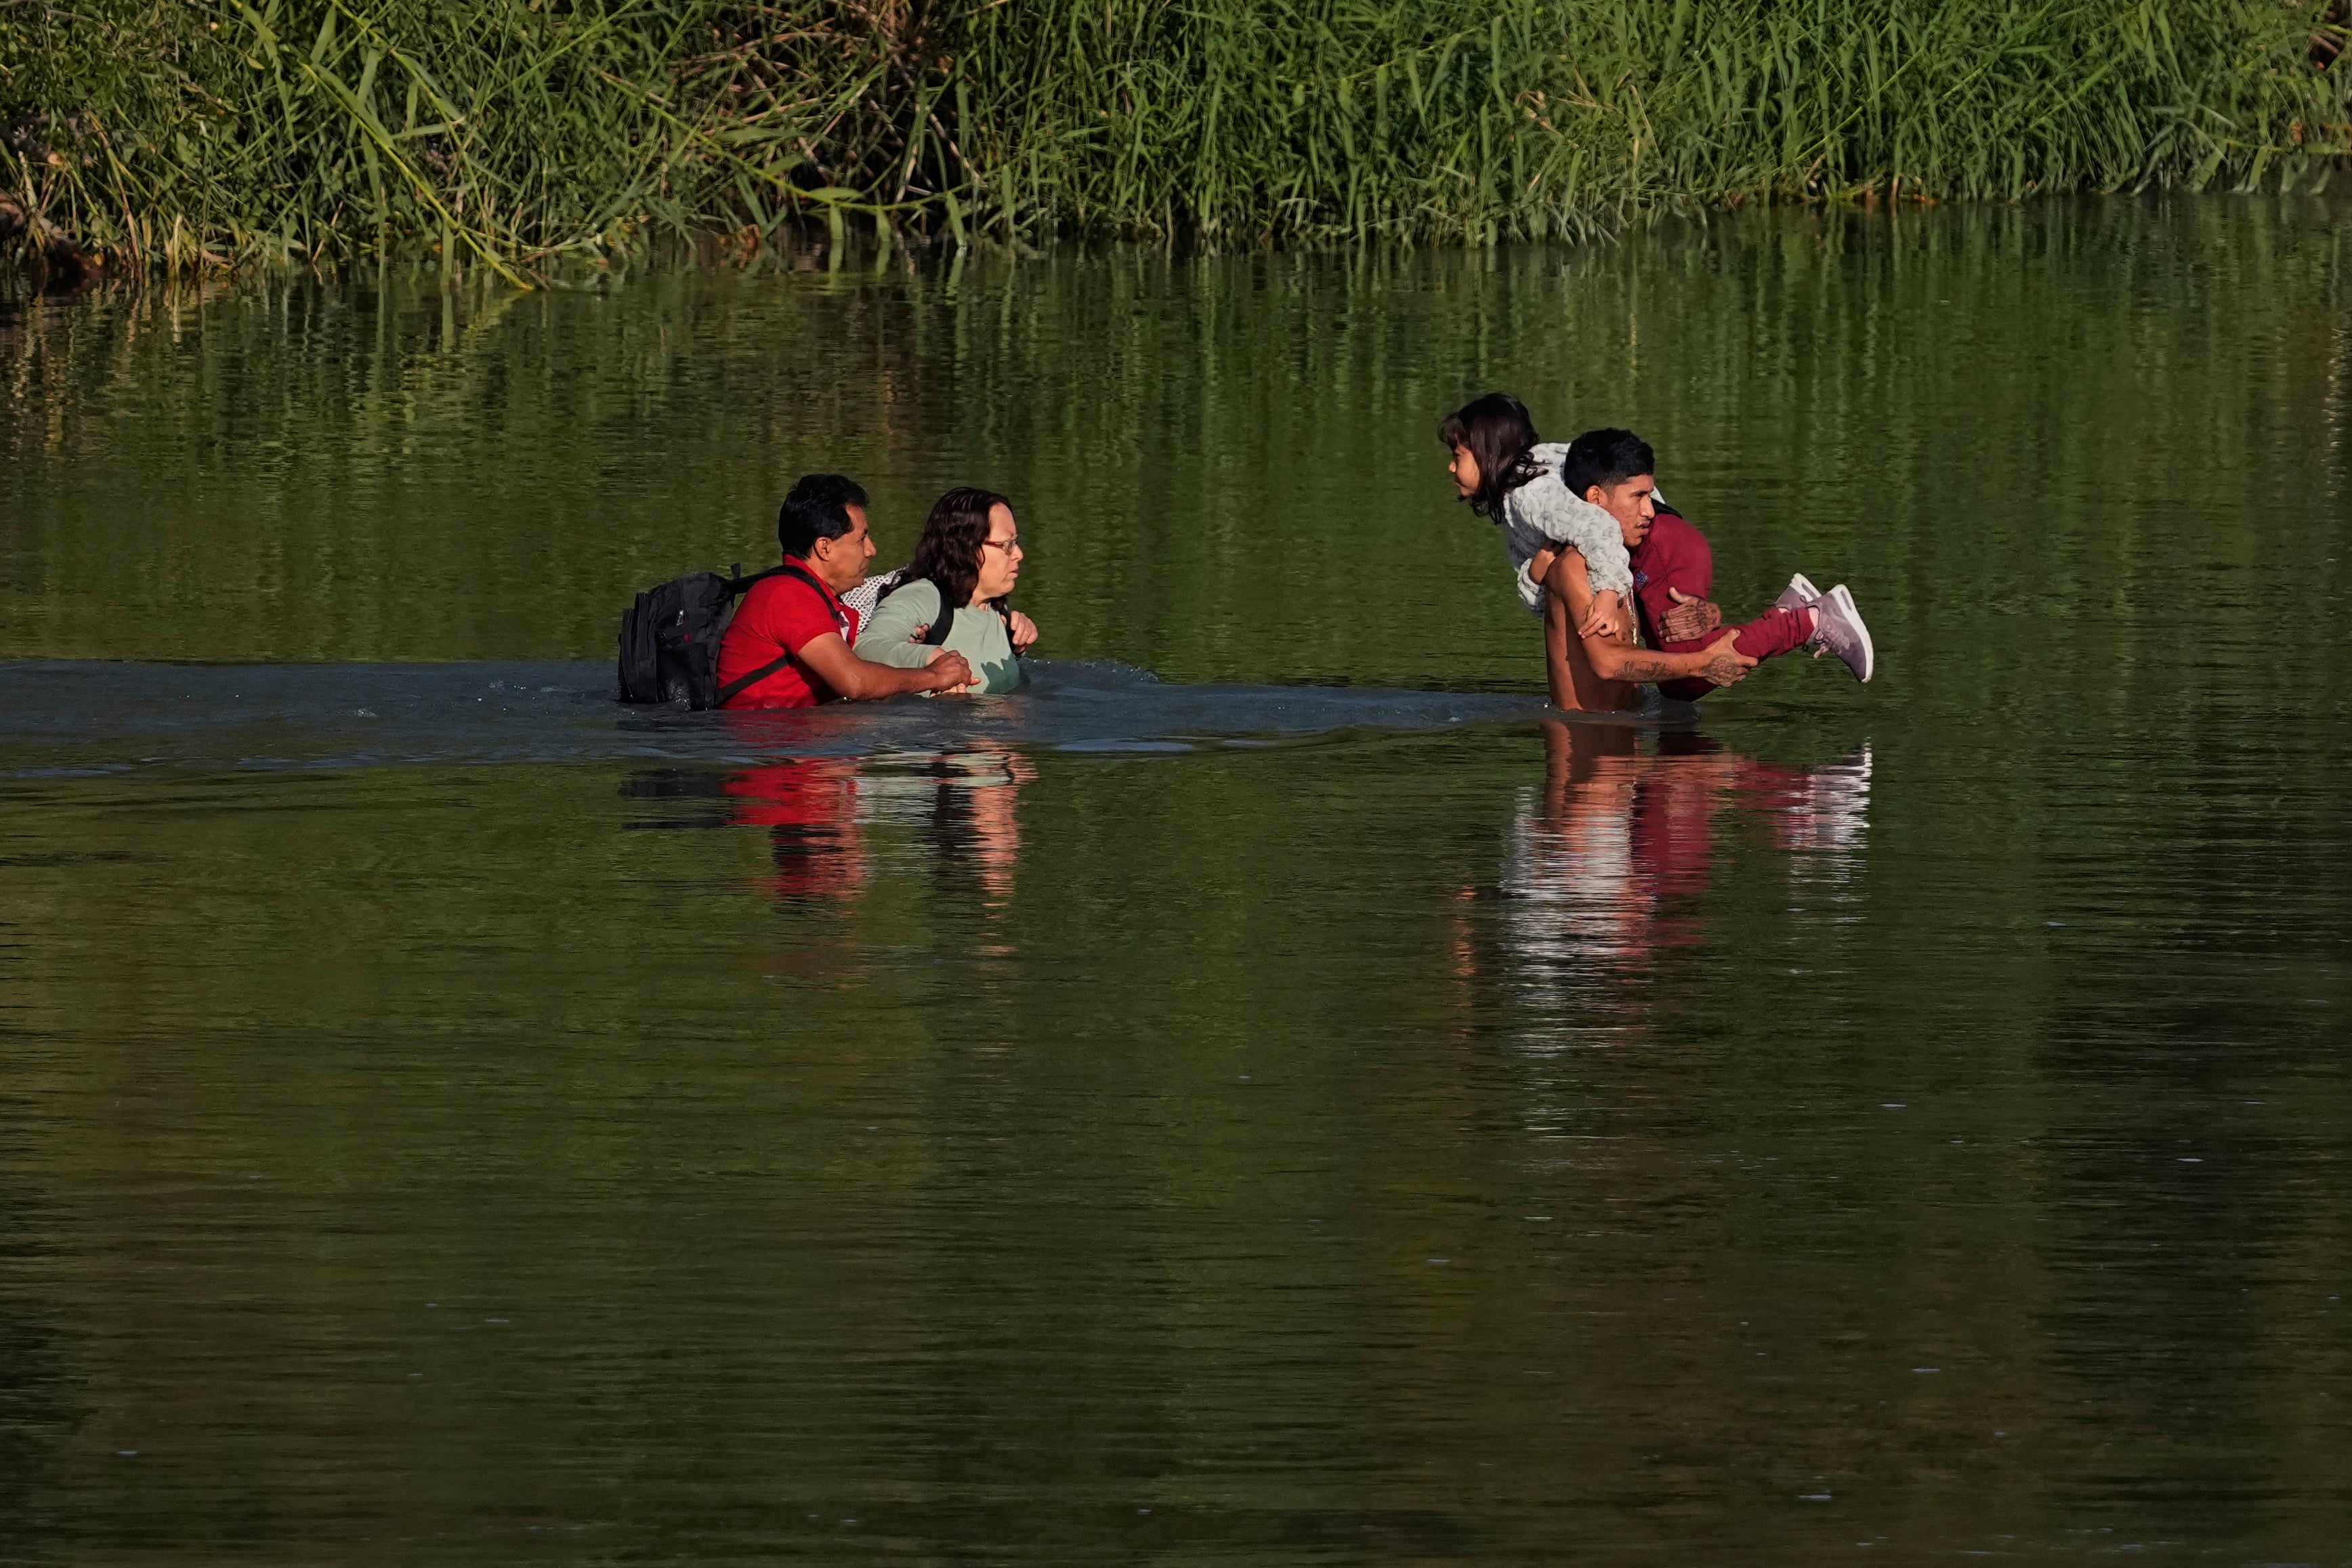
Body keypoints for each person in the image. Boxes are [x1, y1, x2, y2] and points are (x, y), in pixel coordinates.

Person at [1530, 429, 1874, 698]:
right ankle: (1793, 617)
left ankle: (1810, 620)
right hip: (1602, 764)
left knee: (1686, 671)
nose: (1651, 509)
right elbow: (1614, 655)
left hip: (1602, 765)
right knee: (1682, 678)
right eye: (1638, 497)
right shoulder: (1583, 563)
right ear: (1595, 498)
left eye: (1650, 495)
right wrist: (1702, 661)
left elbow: (1612, 658)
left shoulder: (1603, 559)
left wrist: (1701, 657)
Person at [716, 473, 973, 710]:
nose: (871, 550)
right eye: (862, 539)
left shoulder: (812, 596)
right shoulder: (787, 595)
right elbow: (854, 681)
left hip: (781, 739)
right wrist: (934, 676)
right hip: (765, 746)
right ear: (824, 548)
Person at [1440, 392, 1637, 643]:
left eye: (1457, 456)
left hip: (1637, 565)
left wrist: (1608, 595)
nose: (1451, 467)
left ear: (1487, 454)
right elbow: (1544, 602)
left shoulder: (1530, 494)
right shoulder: (1519, 492)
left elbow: (1599, 526)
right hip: (1622, 567)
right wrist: (1534, 576)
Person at [852, 487, 1037, 695]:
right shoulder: (925, 596)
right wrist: (931, 658)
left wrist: (1016, 647)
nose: (1019, 554)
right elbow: (863, 648)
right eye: (1007, 544)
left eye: (1016, 542)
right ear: (967, 547)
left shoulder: (996, 609)